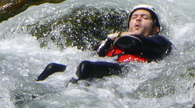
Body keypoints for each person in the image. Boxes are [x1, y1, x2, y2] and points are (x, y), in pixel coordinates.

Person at [36, 5, 172, 81]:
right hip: (110, 66)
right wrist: (109, 40)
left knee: (85, 67)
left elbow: (135, 43)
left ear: (155, 29)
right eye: (134, 17)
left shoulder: (160, 40)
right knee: (52, 67)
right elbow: (96, 54)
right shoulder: (115, 40)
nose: (138, 20)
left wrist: (117, 36)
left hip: (129, 71)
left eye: (144, 18)